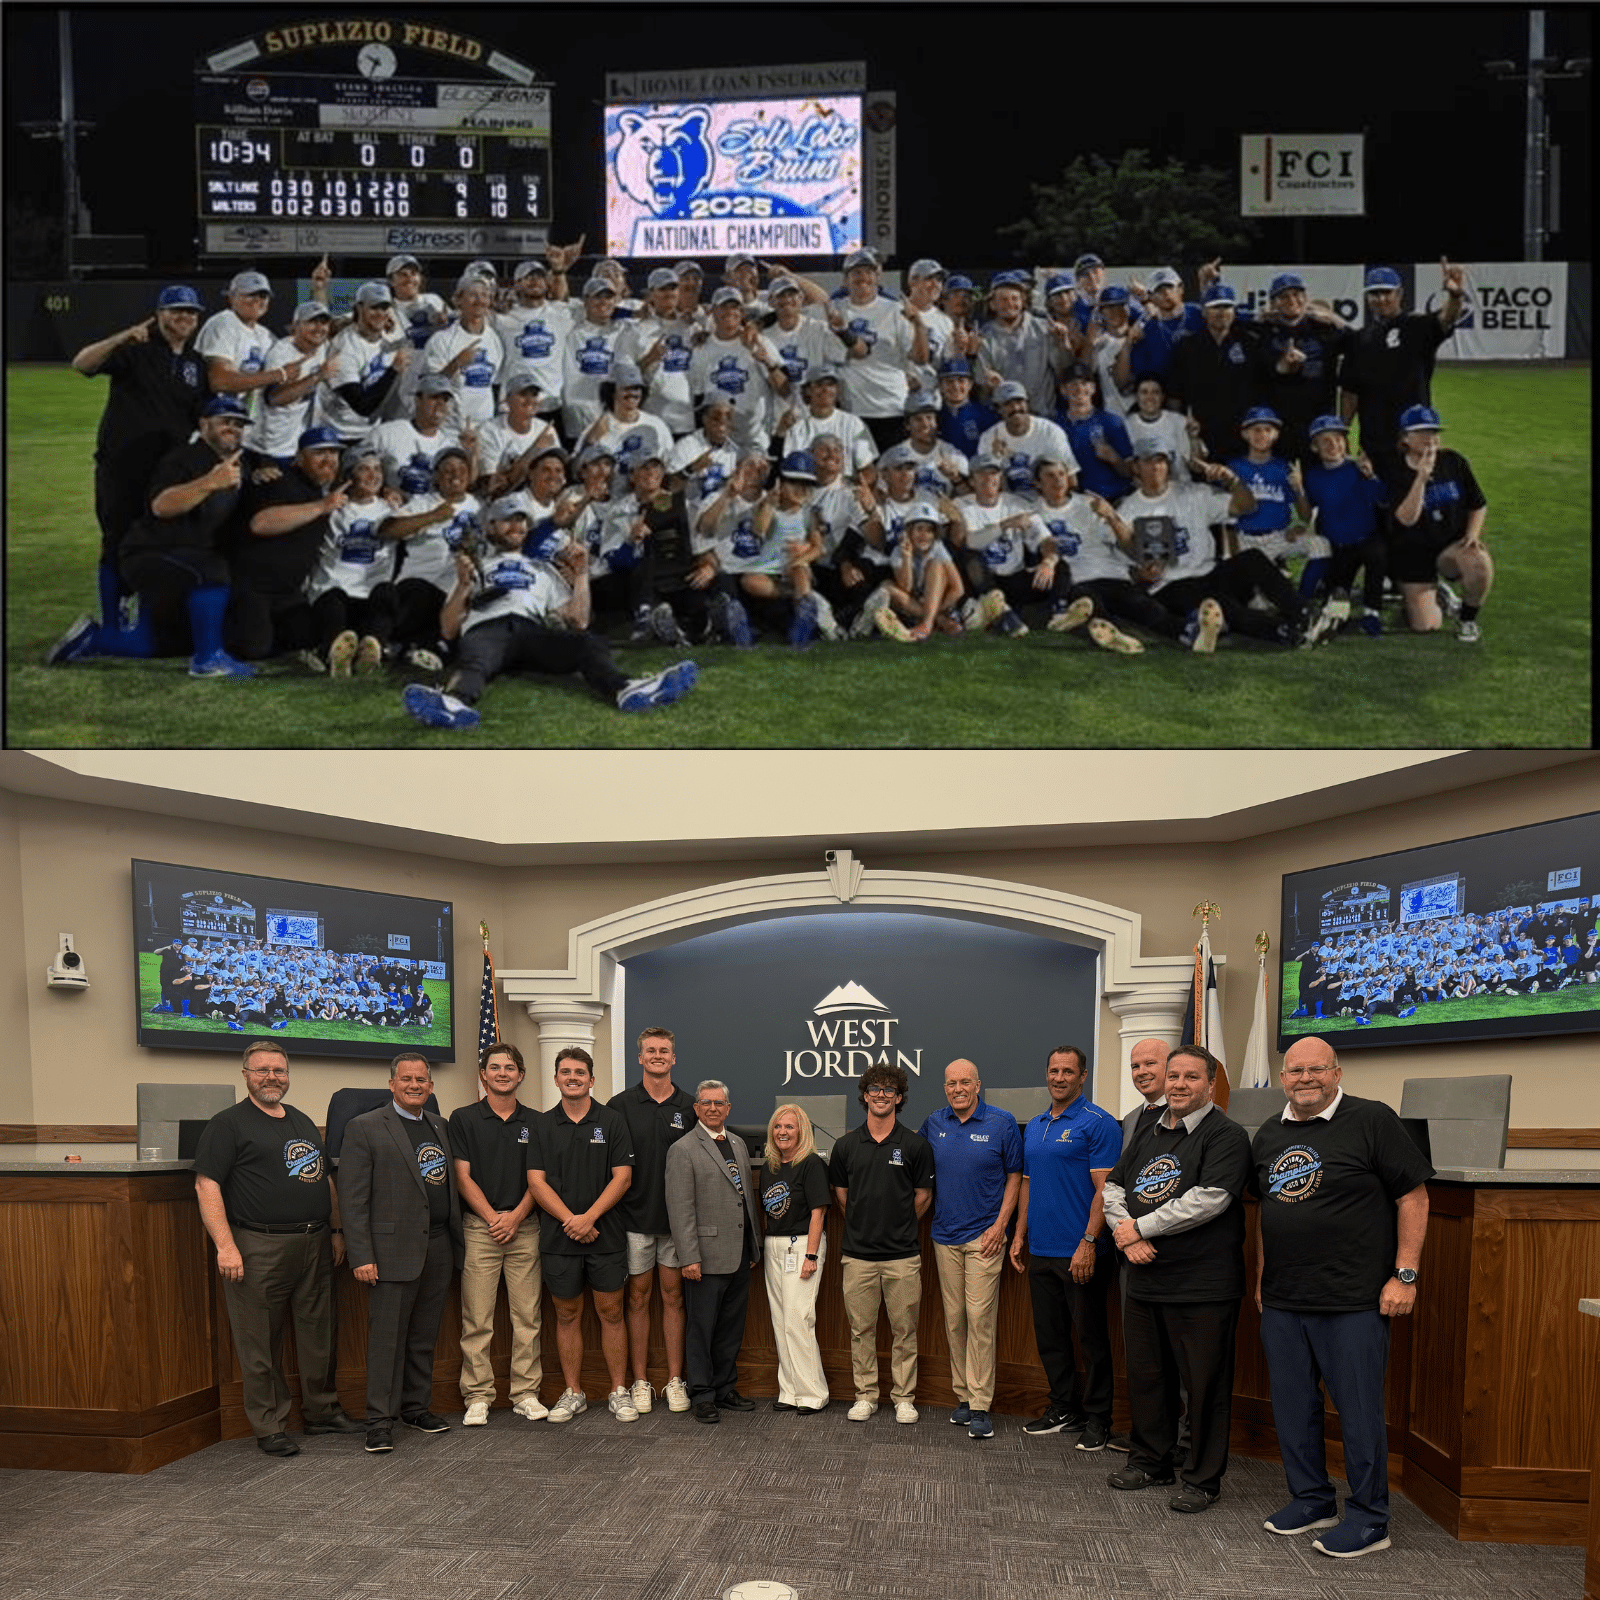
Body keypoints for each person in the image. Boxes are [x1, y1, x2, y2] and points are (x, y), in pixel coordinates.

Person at [1251, 1036, 1432, 1559]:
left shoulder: (1372, 1120)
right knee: (1293, 1408)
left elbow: (1414, 1196)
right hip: (1284, 1299)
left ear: (1337, 1073)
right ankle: (1311, 1500)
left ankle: (1371, 1518)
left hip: (1353, 1300)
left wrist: (1406, 1275)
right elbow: (1267, 1211)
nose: (1305, 1078)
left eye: (1316, 1069)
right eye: (1294, 1070)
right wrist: (1263, 1276)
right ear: (1282, 1078)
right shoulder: (1269, 1133)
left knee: (1358, 1413)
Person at [192, 1041, 363, 1456]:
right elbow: (206, 1185)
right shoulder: (227, 1124)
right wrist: (226, 1246)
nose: (272, 1077)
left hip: (315, 1242)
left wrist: (337, 1229)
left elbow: (322, 1178)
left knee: (319, 1332)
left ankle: (322, 1413)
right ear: (246, 1074)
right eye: (263, 1070)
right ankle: (269, 1425)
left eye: (280, 1071)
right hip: (257, 1245)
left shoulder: (302, 1121)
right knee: (259, 1341)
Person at [400, 496, 699, 731]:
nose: (516, 526)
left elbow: (578, 620)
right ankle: (453, 704)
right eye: (507, 520)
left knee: (588, 642)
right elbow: (449, 628)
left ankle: (626, 688)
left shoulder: (542, 569)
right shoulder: (472, 566)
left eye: (521, 521)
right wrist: (465, 586)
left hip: (531, 630)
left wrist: (581, 575)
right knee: (474, 660)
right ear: (490, 527)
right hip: (486, 628)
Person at [1102, 1044, 1251, 1513]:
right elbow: (1112, 1187)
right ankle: (1151, 1461)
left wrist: (1139, 1228)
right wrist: (1126, 1237)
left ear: (1210, 1084)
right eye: (1173, 1076)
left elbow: (1211, 1198)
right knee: (1149, 1378)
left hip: (1201, 1285)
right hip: (1146, 1279)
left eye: (1191, 1077)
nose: (1179, 1085)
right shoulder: (1148, 1130)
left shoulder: (1226, 1135)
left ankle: (1203, 1479)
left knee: (1205, 1386)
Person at [48, 396, 253, 678]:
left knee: (159, 645)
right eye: (225, 422)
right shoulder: (182, 458)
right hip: (150, 553)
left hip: (182, 561)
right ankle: (208, 661)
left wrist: (267, 470)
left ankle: (94, 639)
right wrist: (211, 482)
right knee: (213, 571)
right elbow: (162, 505)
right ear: (204, 424)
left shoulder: (241, 461)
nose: (233, 428)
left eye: (239, 424)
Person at [340, 1052, 464, 1453]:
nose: (415, 1085)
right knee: (386, 1341)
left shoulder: (441, 1127)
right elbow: (353, 1199)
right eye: (406, 1079)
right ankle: (379, 1420)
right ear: (391, 1084)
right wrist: (361, 1255)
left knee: (424, 1336)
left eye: (422, 1080)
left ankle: (415, 1407)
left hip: (438, 1246)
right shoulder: (364, 1127)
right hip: (390, 1251)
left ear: (431, 1086)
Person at [71, 283, 210, 630]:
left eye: (190, 311)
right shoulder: (135, 350)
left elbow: (200, 415)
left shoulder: (196, 364)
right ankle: (113, 615)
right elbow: (81, 364)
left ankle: (151, 615)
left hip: (167, 471)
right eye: (176, 309)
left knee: (159, 541)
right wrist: (121, 338)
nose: (184, 317)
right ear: (159, 314)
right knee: (116, 538)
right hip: (123, 465)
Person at [1009, 1045, 1121, 1450]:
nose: (1059, 1078)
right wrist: (1019, 1234)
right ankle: (1063, 1408)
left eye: (1068, 1071)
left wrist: (1089, 1242)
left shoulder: (1099, 1123)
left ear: (1082, 1077)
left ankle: (1099, 1419)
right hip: (1041, 1249)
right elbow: (1026, 1183)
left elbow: (1105, 1191)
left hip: (1080, 1252)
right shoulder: (1036, 1125)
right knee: (1051, 1336)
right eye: (1053, 1070)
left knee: (1090, 1339)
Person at [526, 1047, 637, 1422]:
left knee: (611, 1311)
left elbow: (623, 1176)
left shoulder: (613, 1121)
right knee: (567, 1314)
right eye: (565, 1072)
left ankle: (618, 1391)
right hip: (559, 1238)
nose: (572, 1078)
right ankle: (573, 1392)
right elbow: (535, 1182)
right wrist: (571, 1221)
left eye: (579, 1072)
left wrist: (588, 1218)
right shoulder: (541, 1125)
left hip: (605, 1235)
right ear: (556, 1079)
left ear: (592, 1080)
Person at [827, 1062, 936, 1424]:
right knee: (861, 1330)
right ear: (864, 1095)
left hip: (903, 1256)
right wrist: (862, 1222)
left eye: (889, 1090)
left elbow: (923, 1196)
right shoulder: (845, 1146)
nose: (881, 1096)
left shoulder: (915, 1145)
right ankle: (866, 1395)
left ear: (899, 1097)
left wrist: (901, 1224)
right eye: (874, 1089)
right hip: (857, 1256)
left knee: (905, 1329)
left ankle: (904, 1397)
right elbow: (841, 1195)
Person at [920, 1058, 1022, 1441]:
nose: (957, 1088)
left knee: (980, 1318)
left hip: (986, 1237)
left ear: (978, 1085)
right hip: (943, 1236)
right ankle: (962, 1396)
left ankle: (980, 1403)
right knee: (955, 1317)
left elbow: (1016, 1176)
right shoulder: (934, 1123)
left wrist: (1001, 1226)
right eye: (950, 1083)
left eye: (964, 1082)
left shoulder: (1001, 1121)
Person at [449, 1040, 546, 1428]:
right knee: (477, 1318)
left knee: (528, 1317)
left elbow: (540, 1180)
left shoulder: (537, 1122)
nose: (502, 1073)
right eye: (495, 1067)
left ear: (520, 1075)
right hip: (480, 1229)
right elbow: (461, 1177)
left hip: (525, 1228)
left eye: (509, 1067)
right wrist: (493, 1218)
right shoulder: (464, 1118)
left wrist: (516, 1216)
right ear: (483, 1075)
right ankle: (477, 1395)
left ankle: (525, 1393)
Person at [608, 1026, 698, 1417]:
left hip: (677, 1223)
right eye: (651, 1050)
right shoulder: (619, 1105)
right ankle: (640, 1381)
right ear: (640, 1058)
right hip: (633, 1220)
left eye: (665, 1050)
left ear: (674, 1058)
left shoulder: (690, 1106)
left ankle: (675, 1380)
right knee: (638, 1299)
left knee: (674, 1298)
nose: (658, 1055)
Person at [664, 1079, 763, 1423]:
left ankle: (724, 1389)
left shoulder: (736, 1142)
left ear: (728, 1108)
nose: (713, 1108)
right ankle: (702, 1394)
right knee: (702, 1328)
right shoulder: (684, 1148)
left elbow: (745, 1200)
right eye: (706, 1103)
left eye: (719, 1103)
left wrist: (753, 1245)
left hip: (738, 1256)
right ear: (696, 1108)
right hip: (703, 1257)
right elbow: (680, 1208)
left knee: (730, 1329)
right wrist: (688, 1256)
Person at [1340, 260, 1465, 482]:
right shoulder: (1359, 340)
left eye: (1387, 292)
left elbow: (1446, 319)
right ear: (1367, 298)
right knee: (1378, 504)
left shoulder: (1416, 326)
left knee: (1417, 500)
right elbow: (1351, 393)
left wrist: (1455, 296)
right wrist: (1343, 431)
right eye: (1374, 293)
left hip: (1414, 435)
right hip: (1374, 439)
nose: (1380, 299)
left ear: (1399, 294)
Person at [1384, 405, 1492, 643]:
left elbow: (1478, 504)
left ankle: (1467, 619)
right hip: (1412, 553)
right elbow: (1406, 519)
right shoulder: (1394, 470)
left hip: (1449, 548)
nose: (1429, 438)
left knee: (1479, 562)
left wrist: (1473, 534)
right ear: (1405, 438)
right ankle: (1435, 594)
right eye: (1421, 432)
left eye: (1433, 431)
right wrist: (1421, 478)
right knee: (1426, 625)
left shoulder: (1453, 462)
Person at [758, 1104, 830, 1415]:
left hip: (802, 1245)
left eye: (789, 1126)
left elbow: (819, 1213)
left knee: (798, 1320)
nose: (783, 1132)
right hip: (774, 1246)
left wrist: (811, 1255)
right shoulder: (770, 1166)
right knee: (780, 1321)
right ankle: (789, 1390)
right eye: (778, 1126)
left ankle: (813, 1394)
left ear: (801, 1131)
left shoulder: (811, 1164)